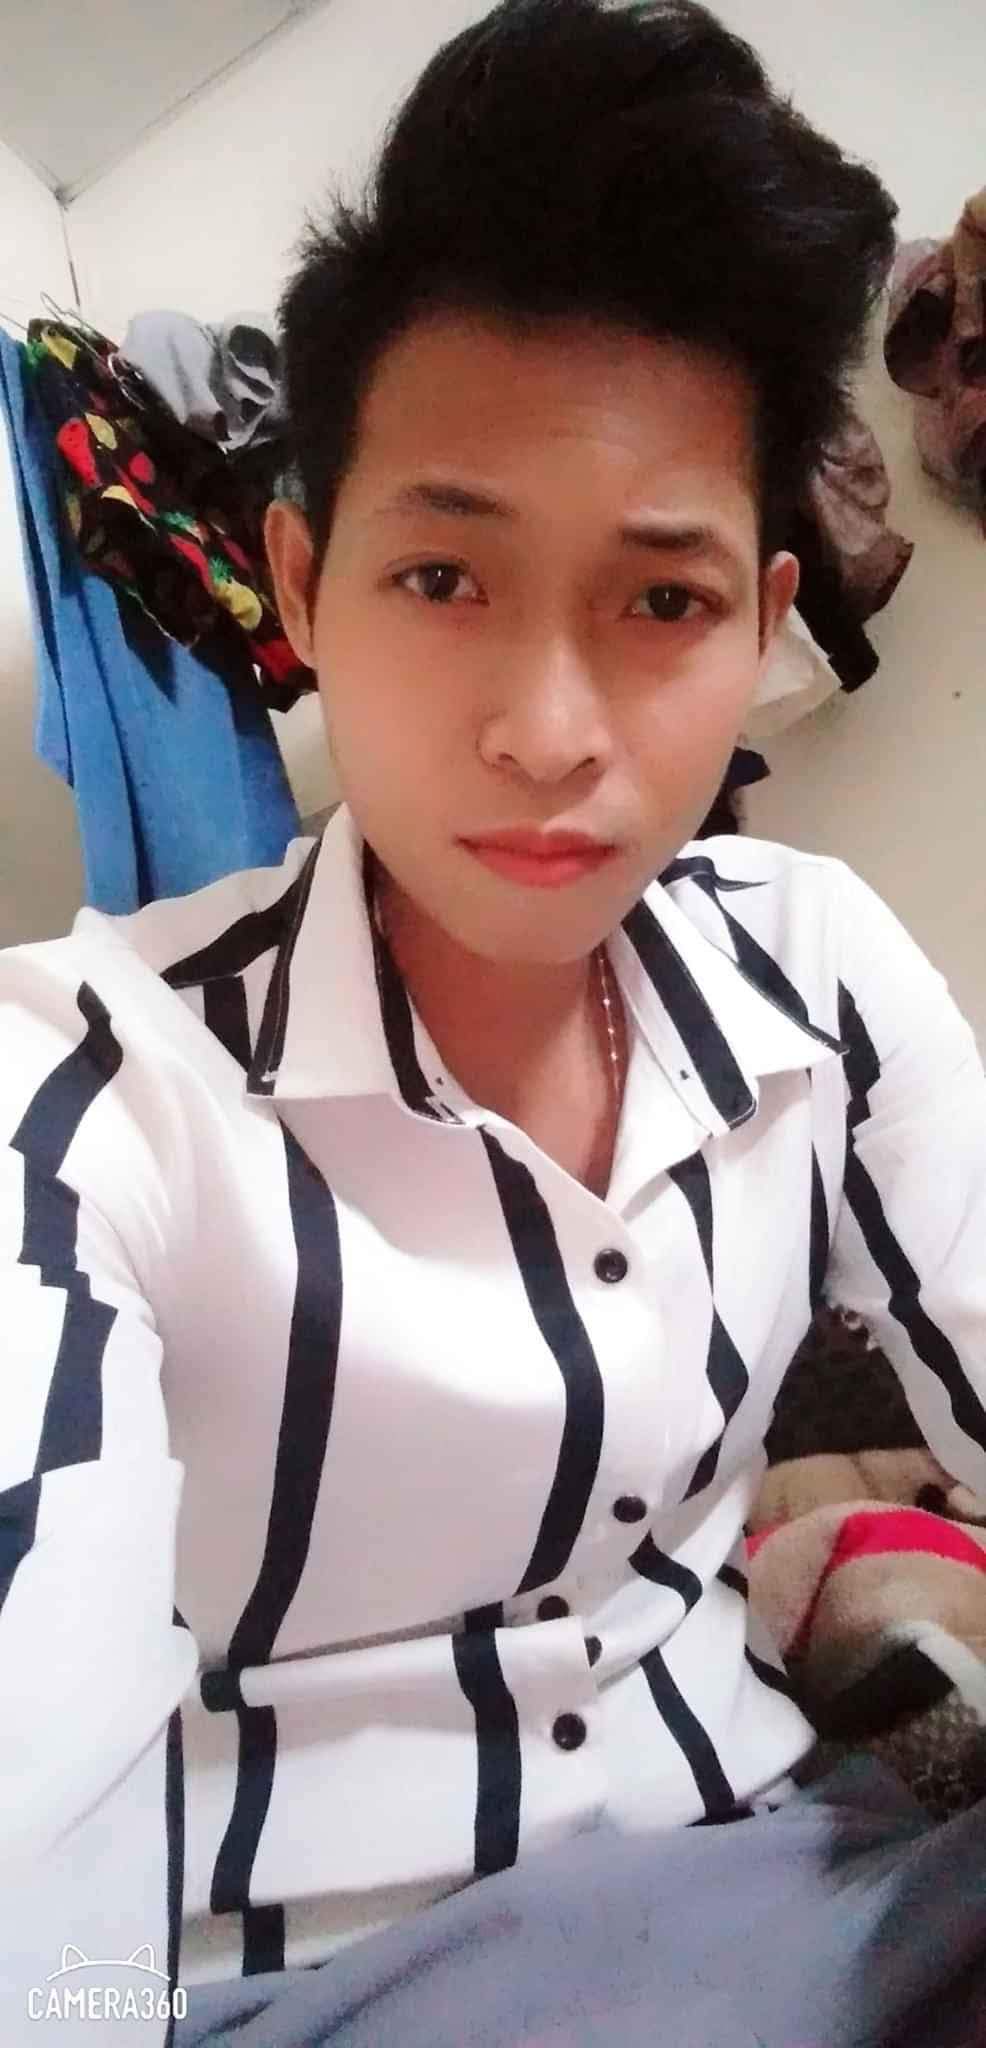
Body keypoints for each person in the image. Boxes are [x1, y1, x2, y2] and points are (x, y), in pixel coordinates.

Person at [2, 2, 985, 2043]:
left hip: (803, 1879)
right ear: (300, 582)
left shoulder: (815, 961)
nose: (550, 733)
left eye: (660, 601)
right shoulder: (89, 1092)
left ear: (762, 622)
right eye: (445, 578)